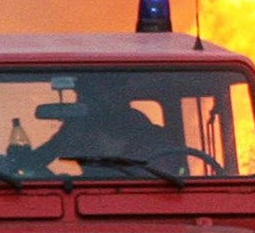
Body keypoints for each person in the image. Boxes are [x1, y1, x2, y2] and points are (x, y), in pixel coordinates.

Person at [35, 73, 170, 174]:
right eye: (80, 95)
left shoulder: (141, 127)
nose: (80, 101)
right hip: (86, 190)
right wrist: (37, 171)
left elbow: (164, 169)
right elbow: (43, 155)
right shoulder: (78, 126)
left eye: (88, 96)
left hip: (138, 190)